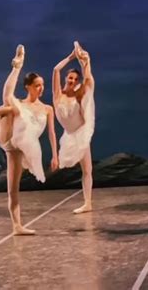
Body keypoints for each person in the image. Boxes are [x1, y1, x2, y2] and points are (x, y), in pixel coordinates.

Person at [0, 45, 58, 235]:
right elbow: (0, 108)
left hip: (24, 146)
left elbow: (51, 133)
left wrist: (55, 155)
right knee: (10, 102)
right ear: (28, 87)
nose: (41, 88)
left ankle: (17, 226)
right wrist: (8, 110)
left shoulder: (47, 108)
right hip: (10, 140)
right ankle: (17, 67)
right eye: (37, 85)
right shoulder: (21, 104)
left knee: (14, 187)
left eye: (42, 85)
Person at [53, 41, 95, 214]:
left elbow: (88, 80)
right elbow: (56, 70)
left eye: (75, 79)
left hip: (80, 133)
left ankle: (88, 203)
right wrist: (71, 57)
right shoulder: (58, 95)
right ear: (66, 79)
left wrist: (85, 62)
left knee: (87, 169)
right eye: (70, 77)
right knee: (75, 167)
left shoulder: (78, 95)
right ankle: (87, 203)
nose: (72, 80)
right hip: (69, 134)